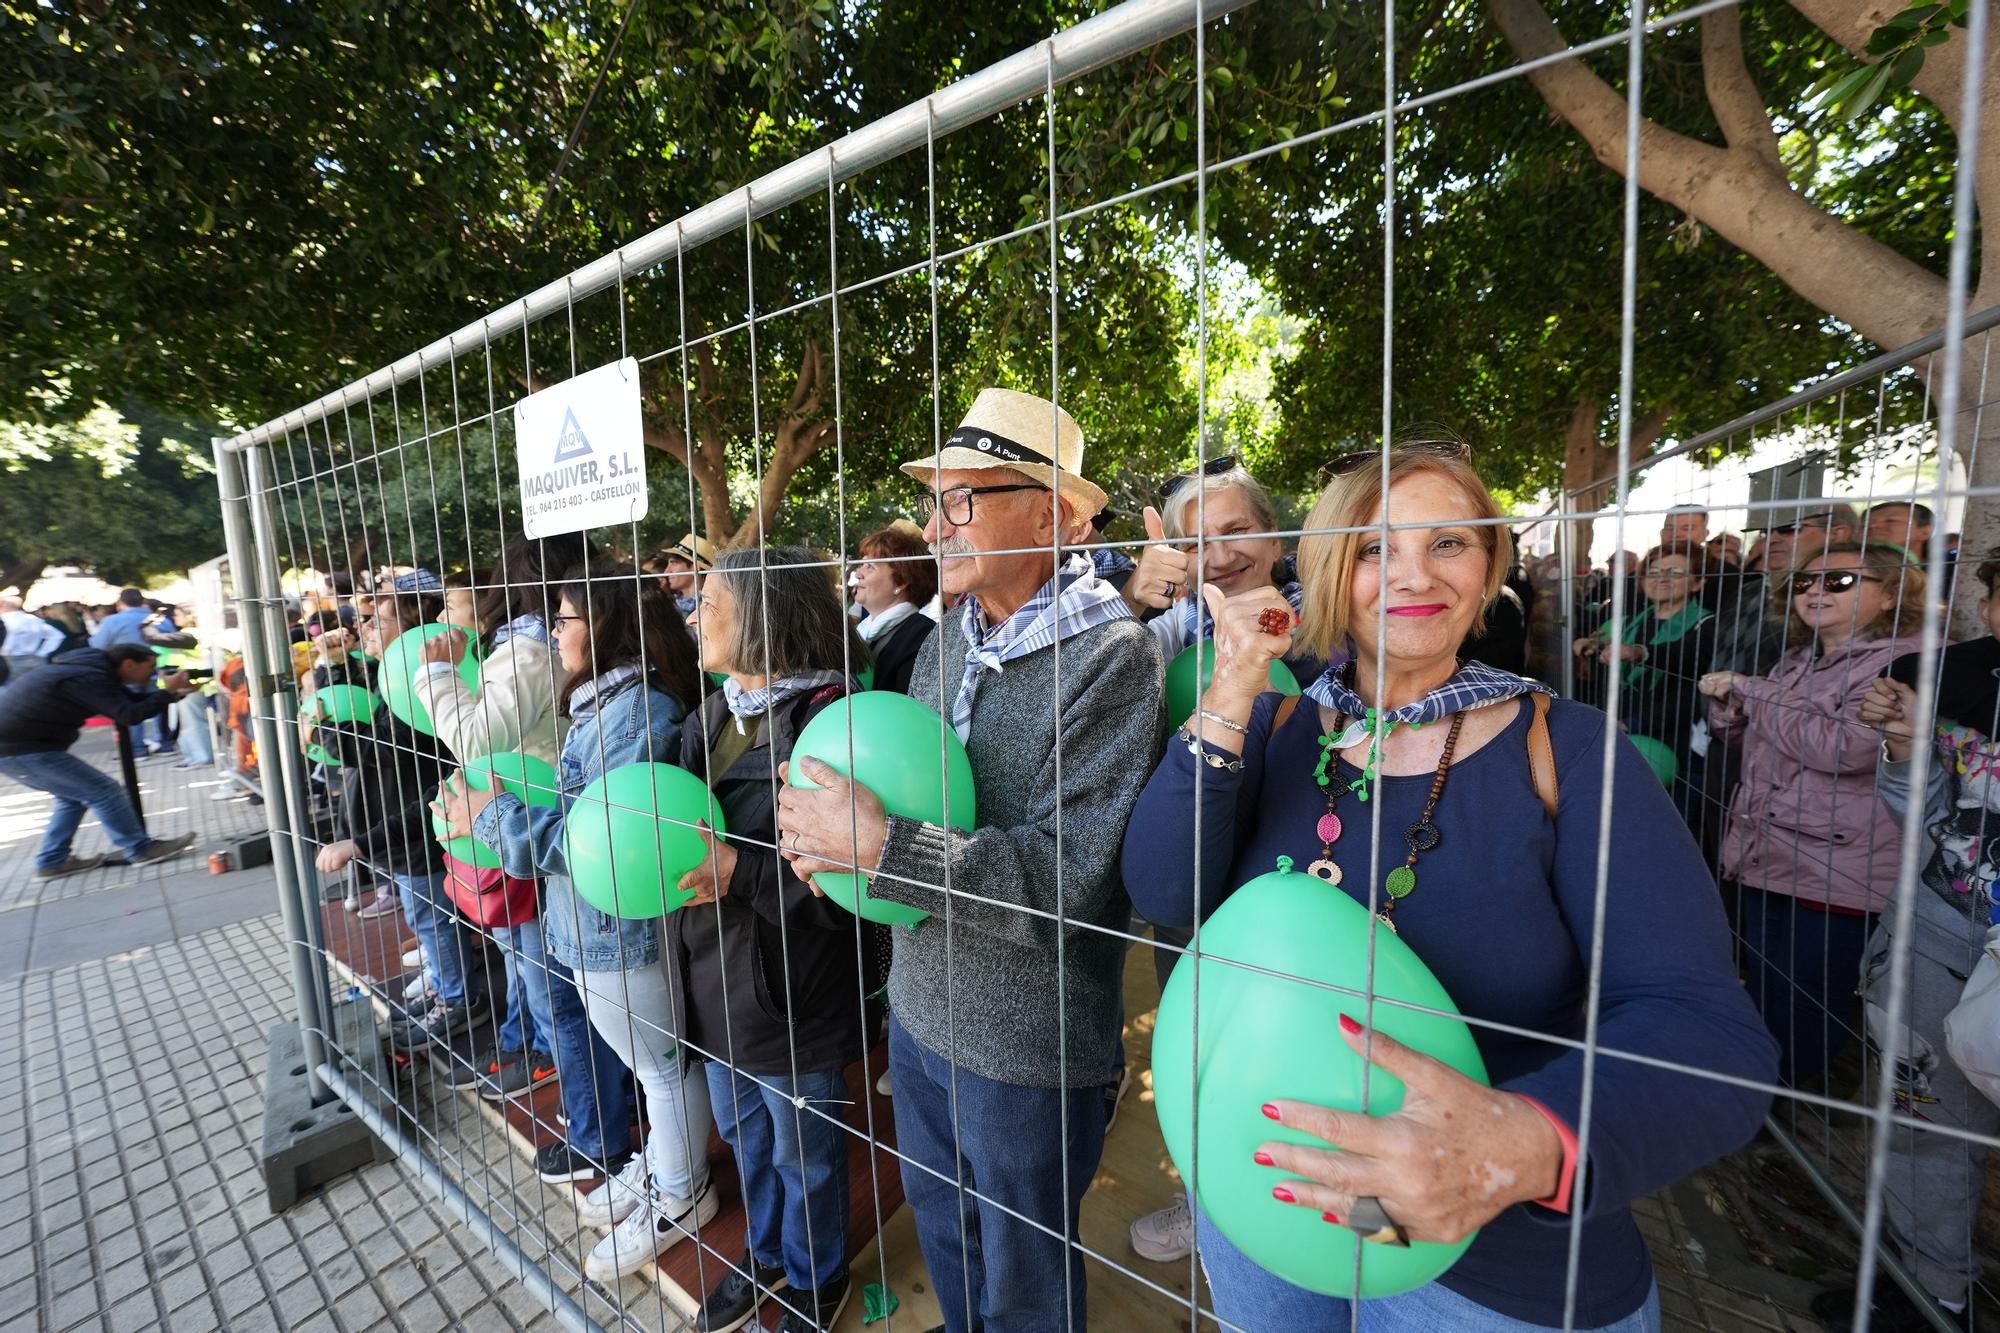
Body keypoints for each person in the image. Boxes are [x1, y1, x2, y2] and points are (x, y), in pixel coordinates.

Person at [1119, 438, 1776, 1331]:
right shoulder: (1277, 720)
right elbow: (1163, 890)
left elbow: (1708, 1031)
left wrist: (1523, 1143)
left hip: (1487, 1258)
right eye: (1374, 548)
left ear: (1490, 565)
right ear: (1325, 568)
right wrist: (1233, 687)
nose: (1413, 575)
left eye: (1450, 542)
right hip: (1264, 1200)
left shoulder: (1571, 752)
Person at [776, 387, 1164, 1333]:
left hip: (1029, 1037)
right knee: (948, 1233)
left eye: (964, 498)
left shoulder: (1115, 658)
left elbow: (1072, 879)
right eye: (935, 499)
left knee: (1026, 1273)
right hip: (919, 1008)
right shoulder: (948, 636)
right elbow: (902, 784)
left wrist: (879, 846)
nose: (935, 524)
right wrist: (828, 845)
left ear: (1055, 512)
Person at [439, 567, 715, 1282]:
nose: (553, 631)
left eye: (563, 619)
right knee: (650, 1065)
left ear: (612, 626)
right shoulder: (607, 705)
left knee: (661, 1066)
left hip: (618, 928)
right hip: (591, 925)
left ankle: (684, 1193)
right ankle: (663, 1166)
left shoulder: (638, 713)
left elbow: (603, 836)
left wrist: (490, 817)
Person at [678, 547, 868, 1333]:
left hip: (797, 998)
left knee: (805, 1155)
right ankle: (766, 1252)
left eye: (708, 600)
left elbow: (853, 888)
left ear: (760, 612)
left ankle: (818, 1279)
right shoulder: (711, 716)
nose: (692, 615)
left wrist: (738, 871)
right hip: (716, 987)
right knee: (748, 1139)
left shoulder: (836, 723)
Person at [1819, 549, 2000, 1327]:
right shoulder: (1955, 679)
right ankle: (1935, 1291)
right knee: (1923, 1119)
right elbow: (1921, 813)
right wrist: (1902, 743)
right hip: (1937, 937)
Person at [414, 534, 631, 1181]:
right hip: (536, 828)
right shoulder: (537, 644)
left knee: (558, 994)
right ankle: (601, 1111)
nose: (461, 611)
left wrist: (434, 672)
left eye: (464, 599)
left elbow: (479, 734)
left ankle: (600, 1129)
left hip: (537, 834)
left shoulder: (530, 648)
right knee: (564, 990)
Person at [1701, 541, 1927, 1085]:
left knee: (1805, 999)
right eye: (1803, 583)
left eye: (1839, 581)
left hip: (1837, 866)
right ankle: (1755, 1094)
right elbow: (1763, 742)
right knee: (1767, 983)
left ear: (1892, 591)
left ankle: (1777, 1099)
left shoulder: (1909, 661)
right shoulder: (1801, 659)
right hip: (1770, 851)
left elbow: (1847, 749)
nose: (1815, 592)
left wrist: (1753, 692)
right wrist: (1732, 713)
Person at [311, 578, 490, 1048]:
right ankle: (441, 984)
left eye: (380, 619)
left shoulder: (418, 692)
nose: (365, 626)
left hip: (416, 831)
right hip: (400, 832)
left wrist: (324, 732)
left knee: (433, 918)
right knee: (423, 917)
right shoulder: (394, 680)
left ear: (410, 630)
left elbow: (378, 746)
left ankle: (457, 998)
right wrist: (333, 672)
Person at [0, 643, 198, 877]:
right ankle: (141, 849)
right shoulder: (88, 677)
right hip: (21, 748)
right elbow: (129, 715)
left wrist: (172, 694)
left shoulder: (89, 671)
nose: (153, 674)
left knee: (73, 798)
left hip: (20, 747)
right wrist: (166, 692)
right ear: (129, 664)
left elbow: (130, 703)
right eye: (150, 667)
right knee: (104, 791)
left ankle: (52, 861)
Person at [1573, 543, 1716, 802]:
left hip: (1671, 743)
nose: (1661, 578)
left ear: (1698, 583)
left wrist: (1634, 722)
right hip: (1619, 732)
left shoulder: (1707, 626)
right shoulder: (1630, 623)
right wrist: (1593, 649)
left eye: (1674, 572)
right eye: (1653, 572)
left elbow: (1692, 683)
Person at [852, 524, 938, 696]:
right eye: (861, 564)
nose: (858, 573)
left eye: (870, 566)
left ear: (900, 582)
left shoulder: (921, 636)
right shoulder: (864, 631)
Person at [1, 597, 64, 681]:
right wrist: (42, 653)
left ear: (2, 605)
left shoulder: (4, 620)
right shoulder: (32, 619)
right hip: (35, 660)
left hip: (9, 663)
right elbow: (57, 636)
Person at [655, 533, 716, 618]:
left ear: (696, 567)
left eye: (673, 563)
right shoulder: (666, 604)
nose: (666, 572)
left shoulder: (715, 604)